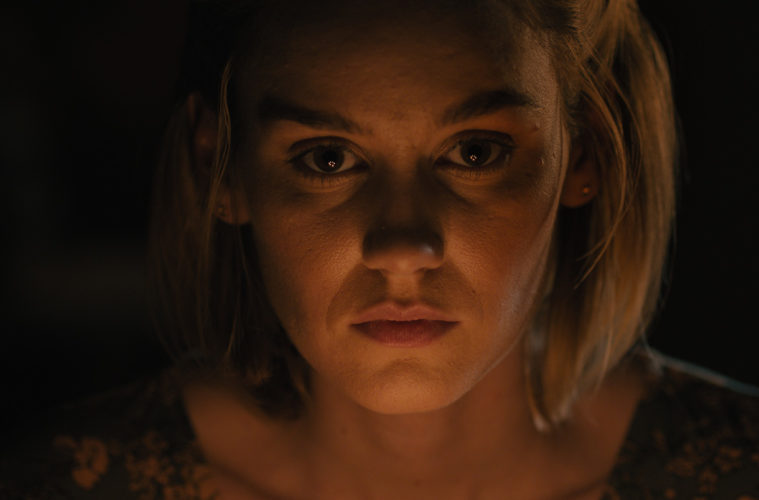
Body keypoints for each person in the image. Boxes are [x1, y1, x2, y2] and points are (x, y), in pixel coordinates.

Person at [1, 0, 757, 498]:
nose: (403, 248)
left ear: (581, 154)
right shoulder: (67, 483)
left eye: (475, 153)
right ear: (219, 164)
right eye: (327, 159)